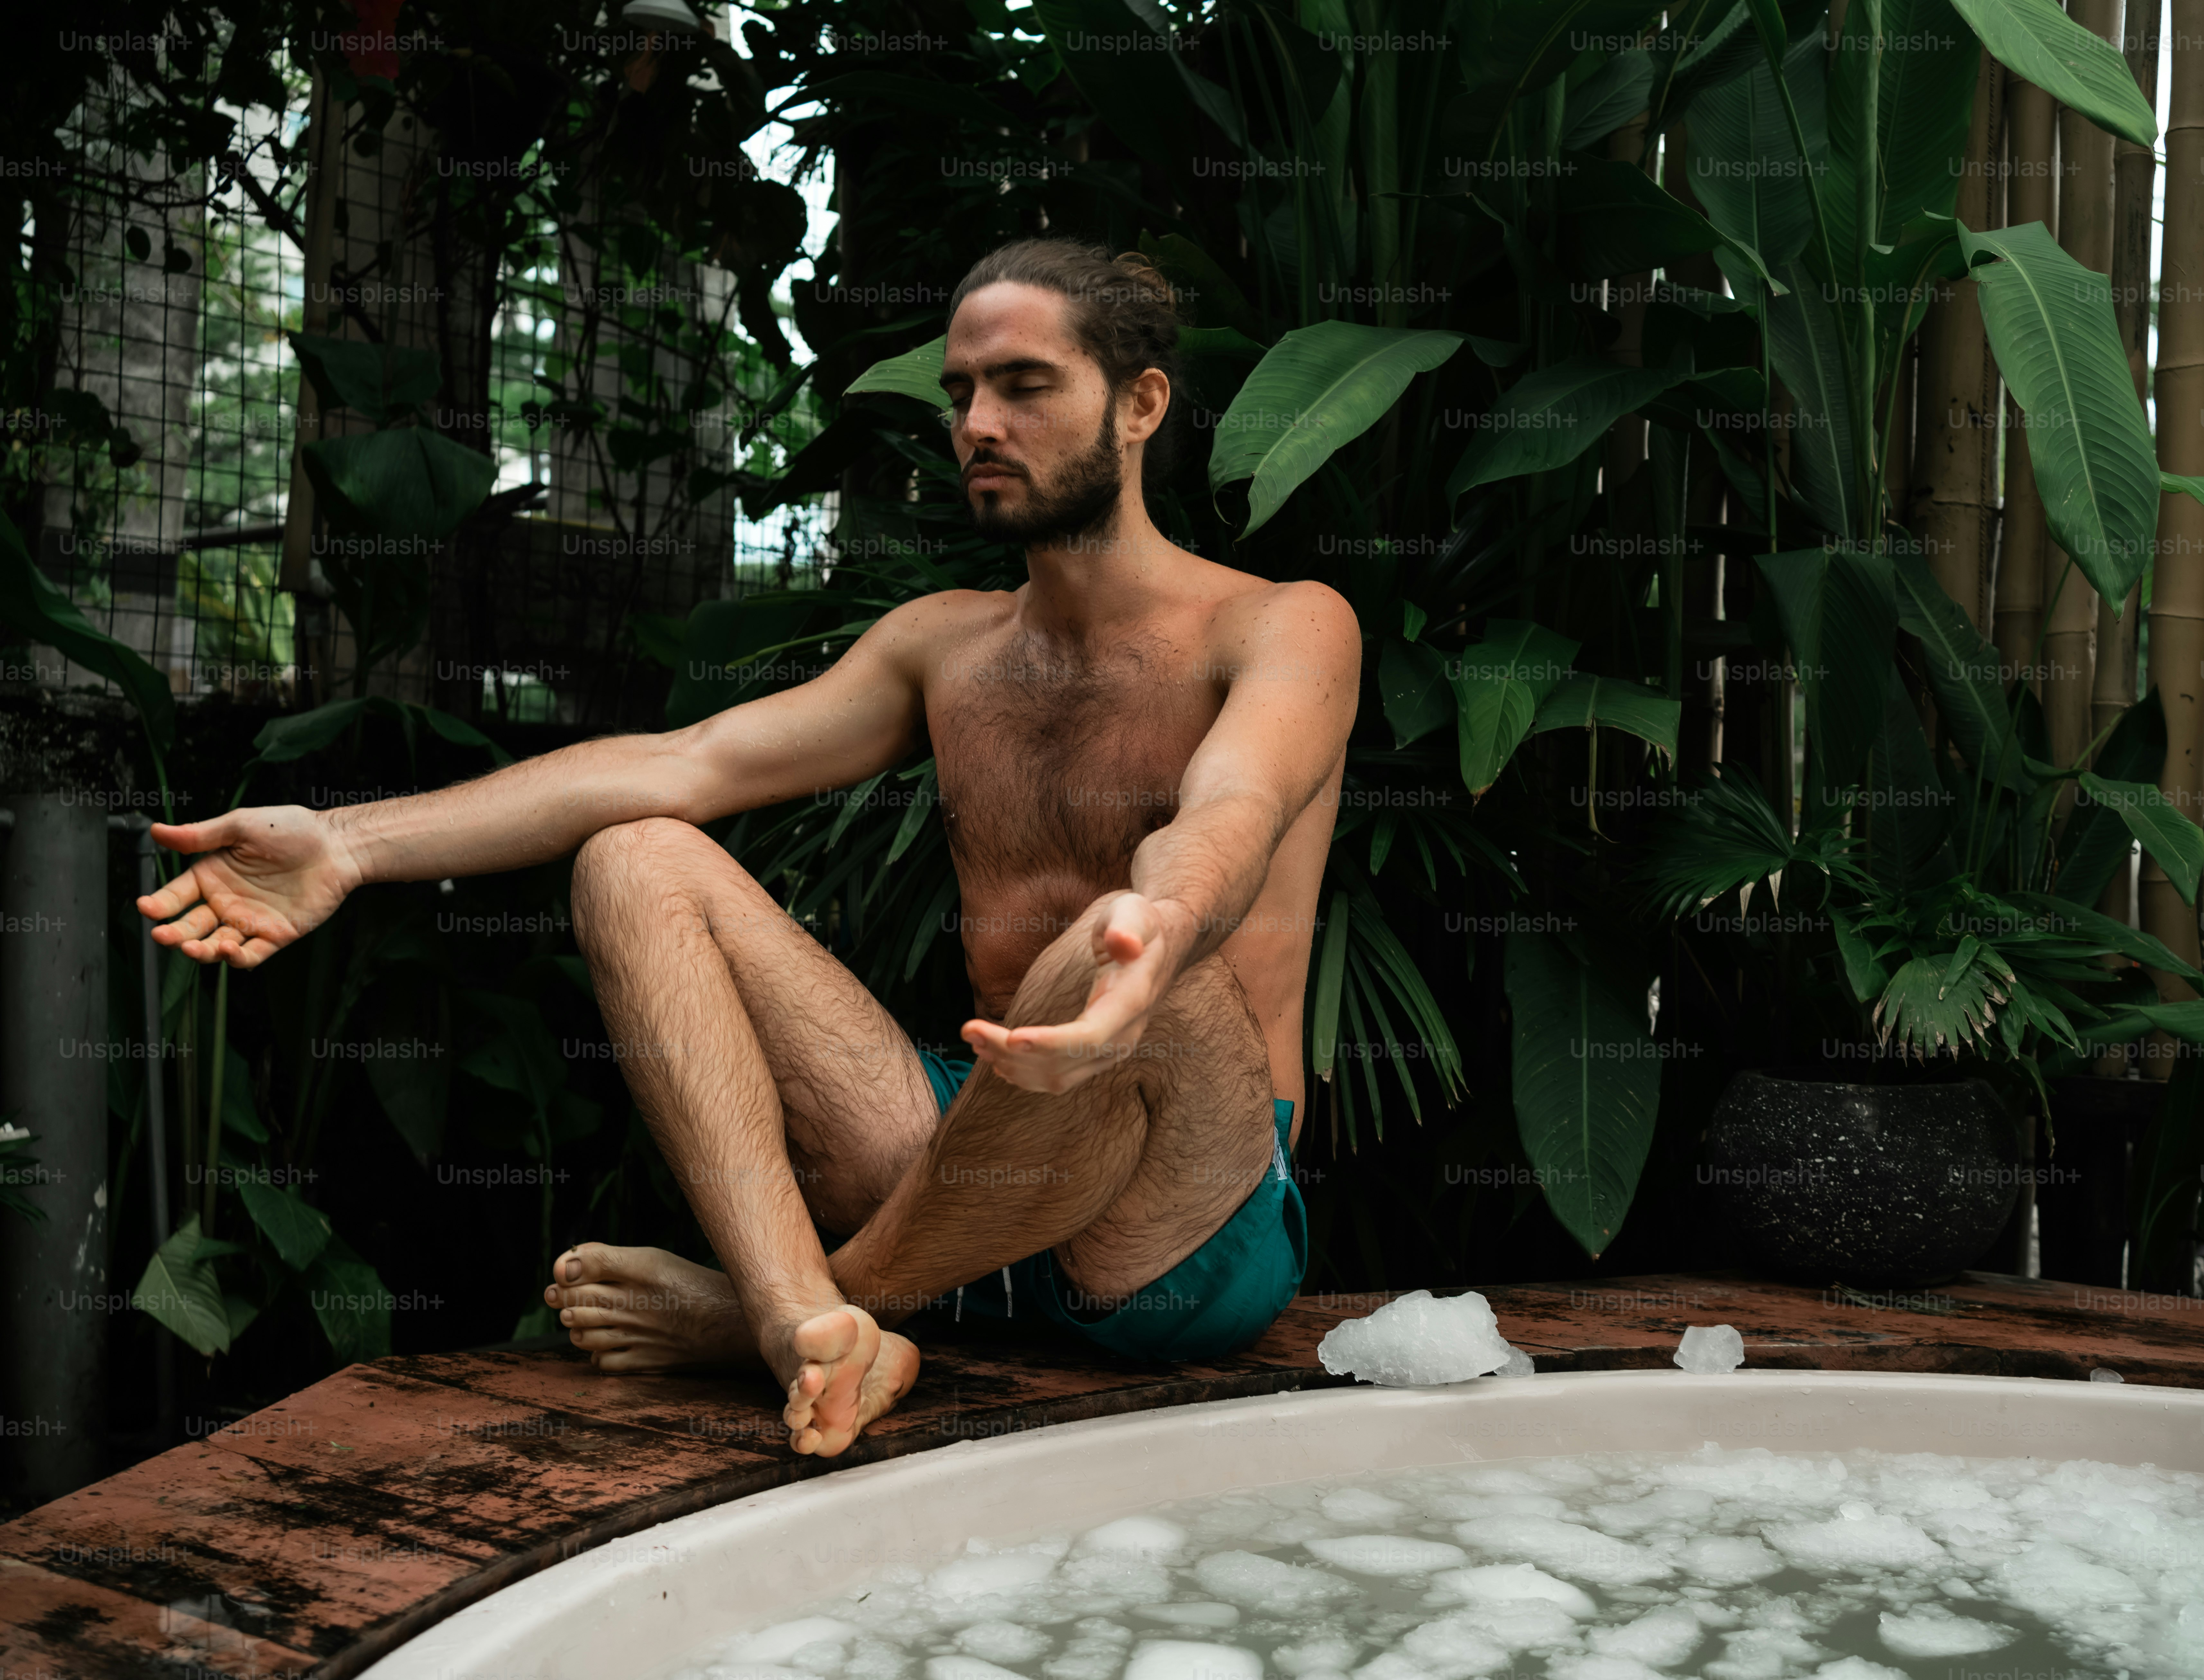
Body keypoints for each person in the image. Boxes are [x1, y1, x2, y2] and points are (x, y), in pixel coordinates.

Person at [139, 238, 1359, 1457]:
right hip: (970, 1168)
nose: (980, 422)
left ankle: (755, 1313)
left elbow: (1233, 808)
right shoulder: (943, 644)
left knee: (1114, 940)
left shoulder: (1283, 624)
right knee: (634, 857)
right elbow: (690, 761)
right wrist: (345, 844)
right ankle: (805, 1327)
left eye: (1025, 386)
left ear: (1139, 403)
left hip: (1174, 1231)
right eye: (960, 393)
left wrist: (1159, 932)